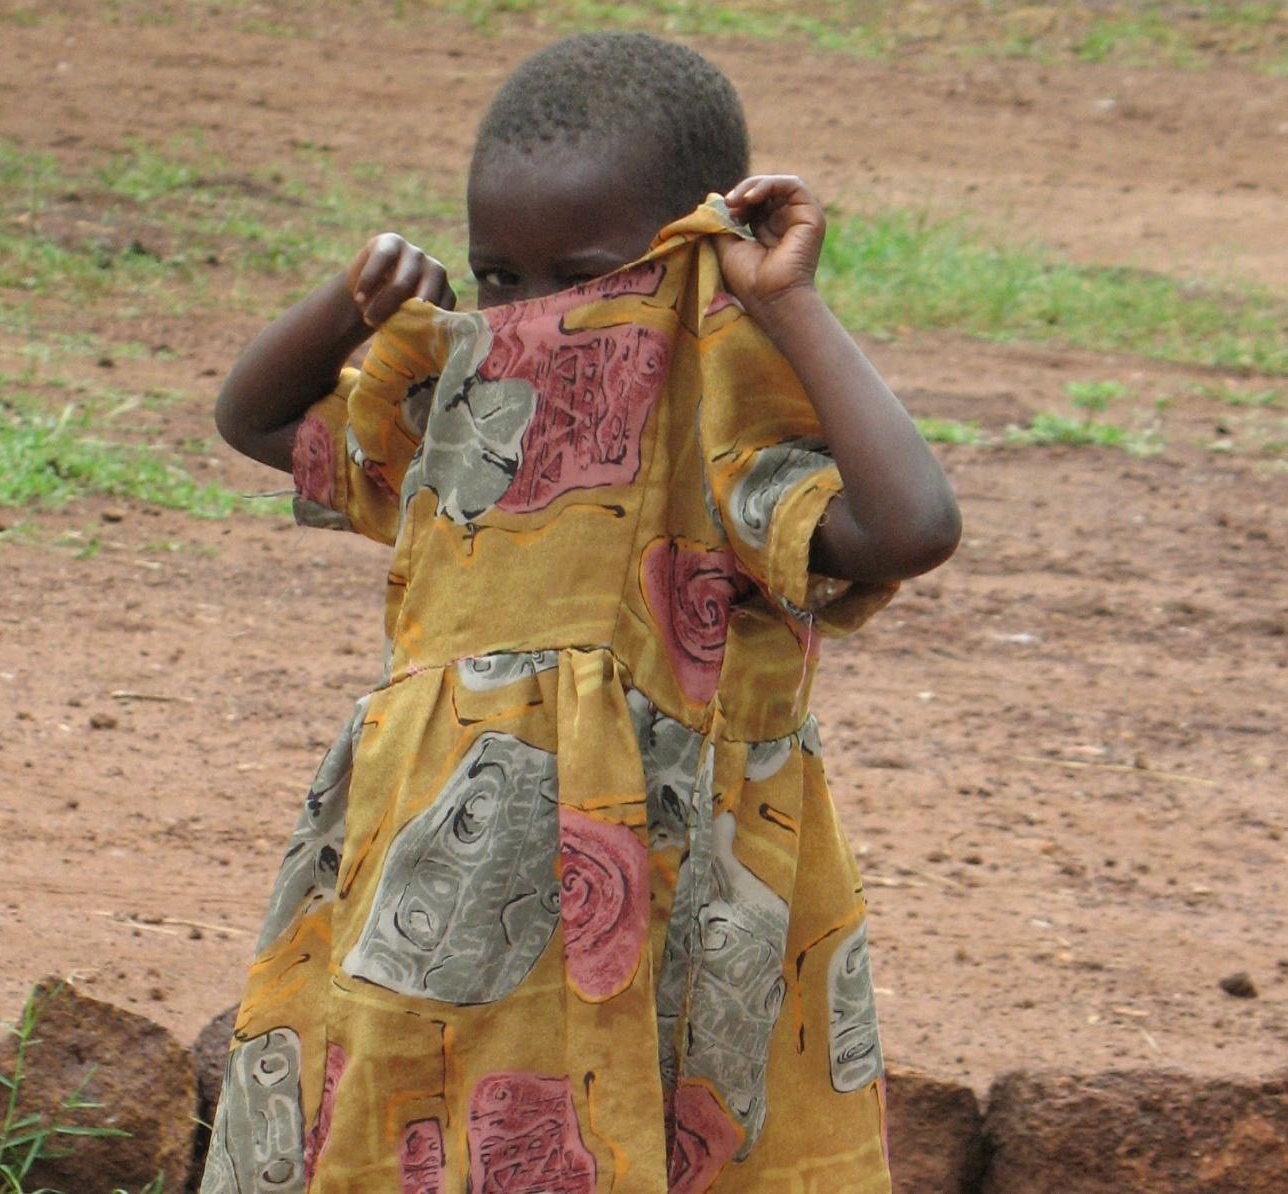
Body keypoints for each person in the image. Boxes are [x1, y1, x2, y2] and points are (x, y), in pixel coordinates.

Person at [202, 30, 960, 1194]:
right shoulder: (466, 394)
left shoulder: (722, 421)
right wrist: (350, 305)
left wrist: (786, 302)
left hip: (673, 903)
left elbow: (909, 525)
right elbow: (255, 423)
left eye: (585, 275)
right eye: (499, 274)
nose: (535, 313)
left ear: (697, 243)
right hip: (443, 894)